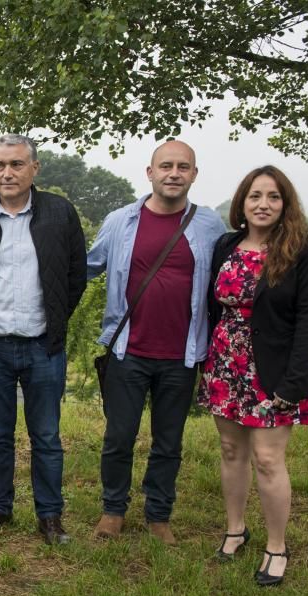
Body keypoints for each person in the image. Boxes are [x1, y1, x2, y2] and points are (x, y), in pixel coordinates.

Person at [87, 140, 226, 545]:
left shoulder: (209, 225)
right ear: (150, 173)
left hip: (182, 356)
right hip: (127, 351)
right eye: (166, 165)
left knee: (169, 442)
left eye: (183, 167)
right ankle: (113, 510)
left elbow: (226, 279)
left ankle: (158, 514)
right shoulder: (120, 221)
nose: (174, 173)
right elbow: (88, 266)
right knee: (118, 437)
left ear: (194, 175)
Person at [0, 134, 87, 544]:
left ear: (34, 168)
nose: (7, 173)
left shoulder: (60, 214)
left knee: (46, 436)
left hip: (43, 345)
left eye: (16, 165)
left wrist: (55, 321)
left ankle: (49, 517)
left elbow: (75, 276)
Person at [200, 166, 308, 586]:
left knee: (268, 460)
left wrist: (294, 384)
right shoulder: (227, 244)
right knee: (230, 450)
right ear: (243, 203)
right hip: (225, 365)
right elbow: (213, 306)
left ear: (285, 204)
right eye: (255, 196)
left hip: (275, 372)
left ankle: (277, 546)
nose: (263, 204)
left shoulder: (304, 250)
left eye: (273, 197)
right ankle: (235, 529)